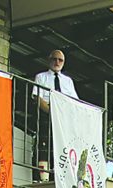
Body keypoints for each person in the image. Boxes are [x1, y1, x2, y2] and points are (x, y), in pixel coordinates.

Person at [32, 49, 79, 177]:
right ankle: (43, 178)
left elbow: (74, 101)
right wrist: (52, 112)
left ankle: (58, 178)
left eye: (60, 60)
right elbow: (37, 97)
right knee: (44, 146)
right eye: (54, 59)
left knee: (61, 147)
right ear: (49, 60)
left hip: (63, 118)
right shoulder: (41, 77)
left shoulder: (68, 81)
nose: (57, 62)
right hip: (47, 114)